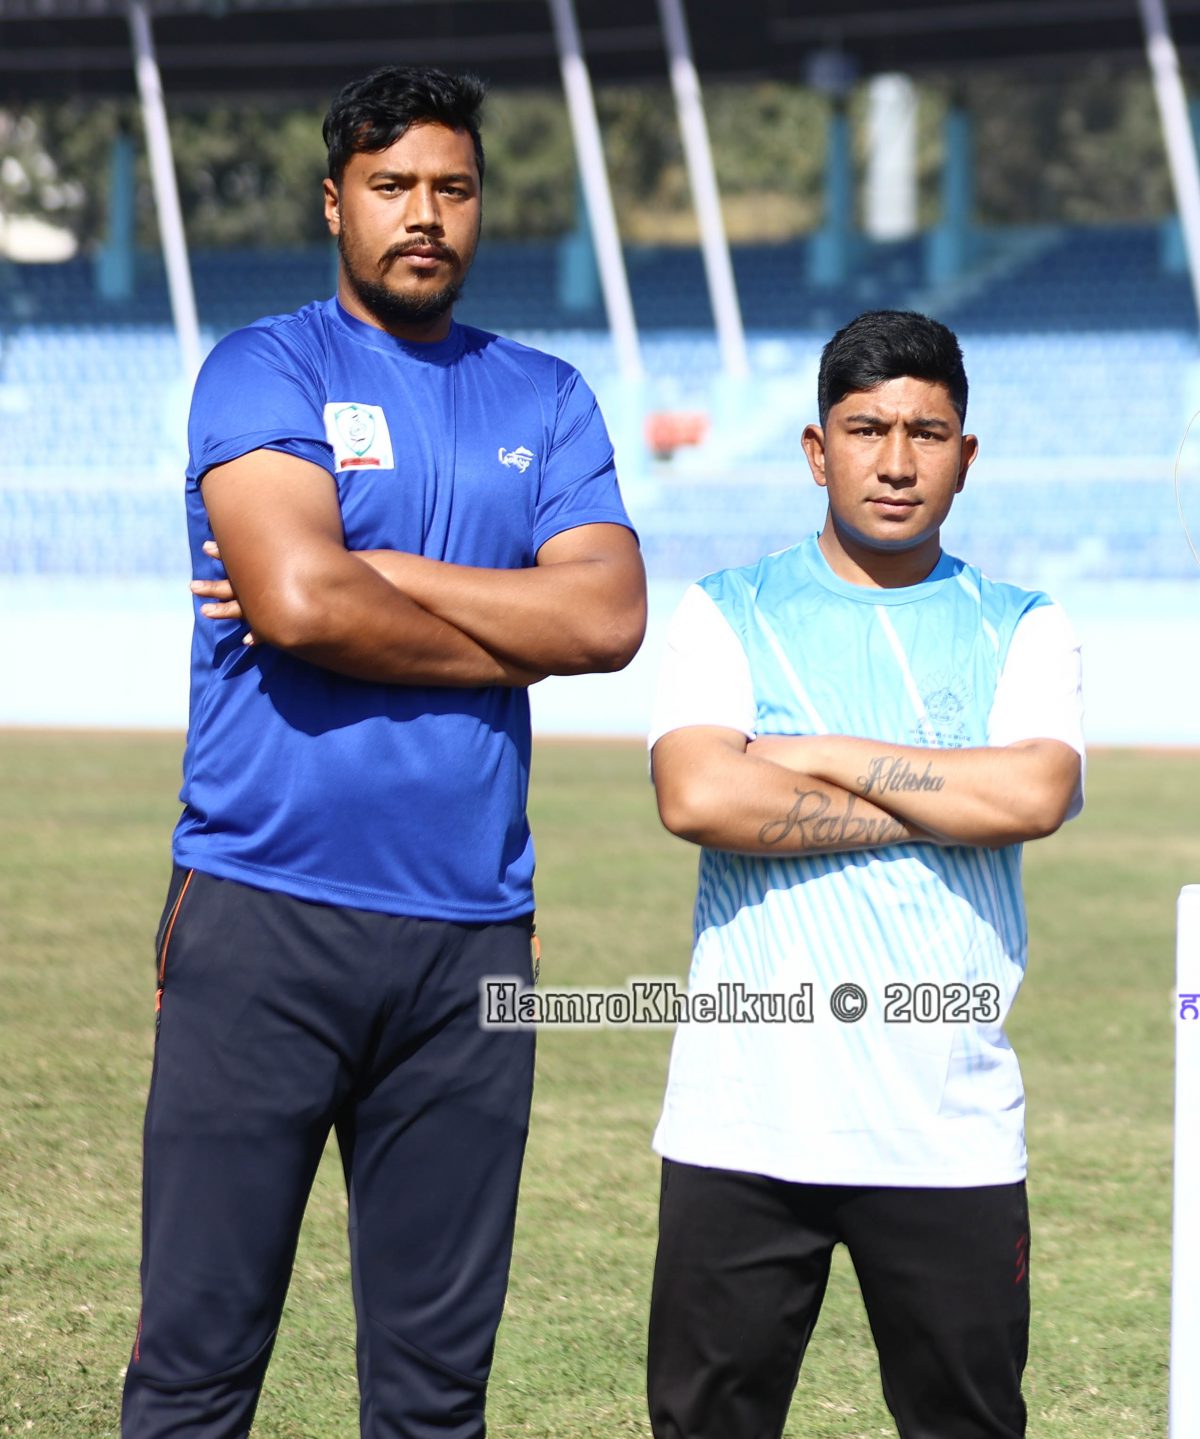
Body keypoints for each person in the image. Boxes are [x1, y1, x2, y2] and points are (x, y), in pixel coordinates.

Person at [136, 66, 645, 1438]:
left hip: (472, 943)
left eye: (452, 188)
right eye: (392, 185)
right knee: (195, 1369)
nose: (425, 214)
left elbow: (607, 619)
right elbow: (302, 604)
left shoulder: (546, 394)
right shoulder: (265, 366)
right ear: (334, 202)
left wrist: (384, 572)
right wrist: (512, 634)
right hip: (262, 916)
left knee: (433, 1394)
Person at [642, 310, 1084, 1439]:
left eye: (926, 434)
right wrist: (941, 804)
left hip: (946, 1124)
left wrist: (823, 751)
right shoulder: (725, 610)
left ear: (965, 456)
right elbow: (699, 796)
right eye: (865, 429)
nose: (896, 462)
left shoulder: (1023, 626)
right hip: (742, 1122)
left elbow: (1033, 794)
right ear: (815, 448)